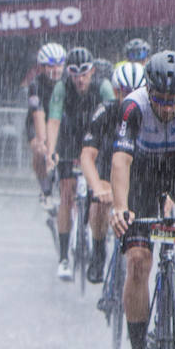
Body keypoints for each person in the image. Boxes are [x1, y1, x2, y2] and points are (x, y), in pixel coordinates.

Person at [109, 51, 175, 349]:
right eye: (160, 100)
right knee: (137, 262)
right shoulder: (133, 107)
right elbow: (120, 160)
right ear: (149, 92)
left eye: (173, 101)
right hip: (143, 174)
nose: (166, 108)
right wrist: (120, 207)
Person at [45, 46, 117, 281]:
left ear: (92, 71)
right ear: (69, 74)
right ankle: (64, 258)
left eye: (84, 73)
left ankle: (98, 249)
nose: (79, 79)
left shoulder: (103, 87)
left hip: (97, 140)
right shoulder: (61, 87)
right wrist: (50, 152)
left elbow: (115, 121)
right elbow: (54, 120)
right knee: (67, 193)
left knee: (100, 195)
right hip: (71, 140)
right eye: (74, 74)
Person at [77, 62, 147, 284]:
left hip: (139, 176)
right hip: (108, 172)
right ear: (116, 91)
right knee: (99, 204)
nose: (131, 98)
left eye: (137, 93)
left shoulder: (150, 112)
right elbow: (87, 154)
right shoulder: (105, 110)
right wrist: (96, 186)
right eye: (126, 93)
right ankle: (98, 252)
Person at [27, 43, 67, 204]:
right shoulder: (35, 85)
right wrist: (45, 144)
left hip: (60, 121)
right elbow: (38, 115)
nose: (56, 70)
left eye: (59, 65)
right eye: (51, 66)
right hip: (39, 121)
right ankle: (45, 189)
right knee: (40, 149)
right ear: (42, 67)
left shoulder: (67, 81)